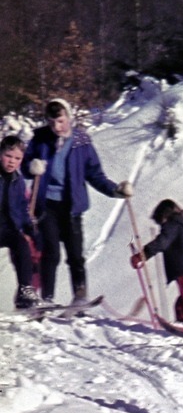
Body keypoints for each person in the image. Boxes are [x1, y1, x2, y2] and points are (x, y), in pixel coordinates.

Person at [23, 97, 132, 306]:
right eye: (52, 122)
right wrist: (31, 167)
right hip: (47, 205)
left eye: (61, 121)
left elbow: (94, 174)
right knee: (51, 252)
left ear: (69, 118)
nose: (57, 127)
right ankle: (47, 298)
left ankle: (80, 295)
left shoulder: (82, 141)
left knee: (75, 254)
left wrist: (115, 190)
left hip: (72, 206)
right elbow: (25, 165)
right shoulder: (40, 138)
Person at [130, 199, 183, 326]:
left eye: (160, 221)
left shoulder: (173, 223)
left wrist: (142, 255)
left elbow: (162, 242)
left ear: (164, 215)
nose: (161, 225)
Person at [0, 135, 40, 309]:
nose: (12, 162)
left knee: (22, 245)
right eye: (8, 156)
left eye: (17, 158)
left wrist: (29, 226)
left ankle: (25, 290)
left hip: (8, 229)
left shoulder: (19, 181)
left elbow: (22, 207)